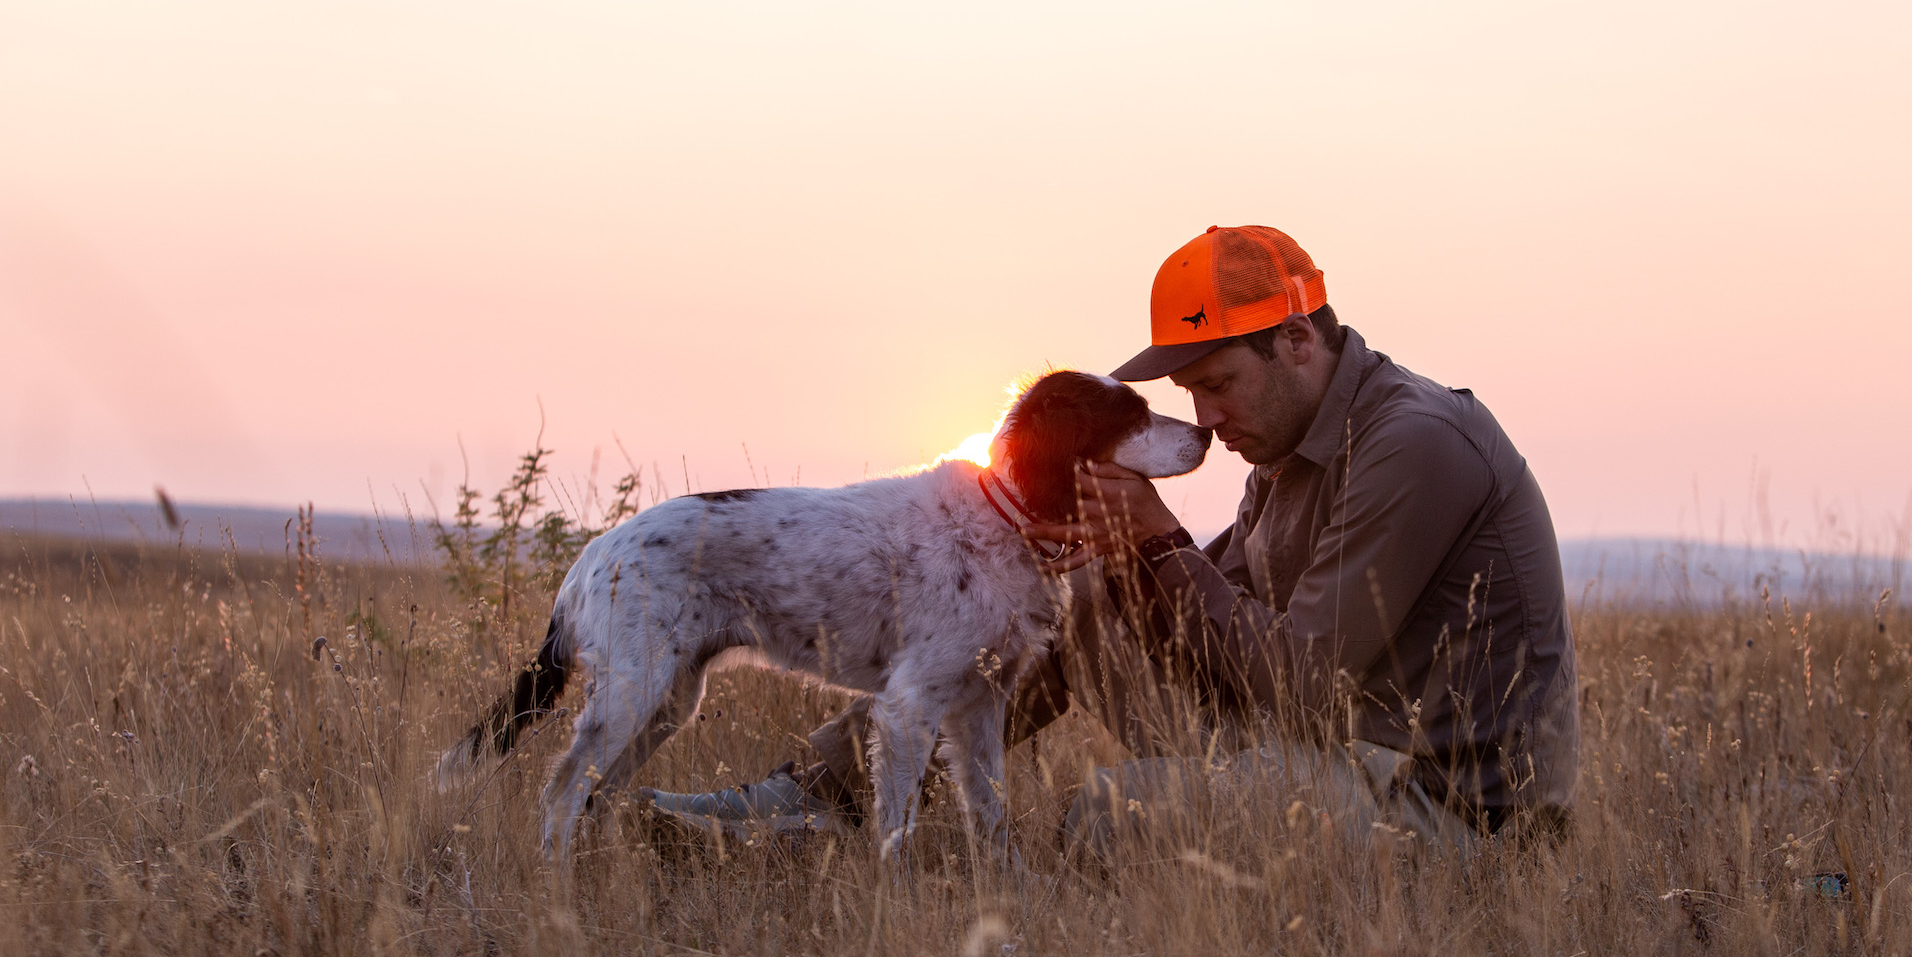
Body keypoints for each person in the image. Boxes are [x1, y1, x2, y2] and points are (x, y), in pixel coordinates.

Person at [640, 224, 1577, 859]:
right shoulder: (1289, 444)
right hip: (1337, 750)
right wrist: (1091, 558)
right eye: (1190, 395)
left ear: (1297, 340)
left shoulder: (1412, 444)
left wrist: (1157, 542)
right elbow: (1213, 628)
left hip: (1448, 809)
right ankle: (819, 794)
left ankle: (989, 871)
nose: (1204, 420)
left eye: (1217, 384)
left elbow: (1296, 679)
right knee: (1077, 604)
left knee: (1114, 815)